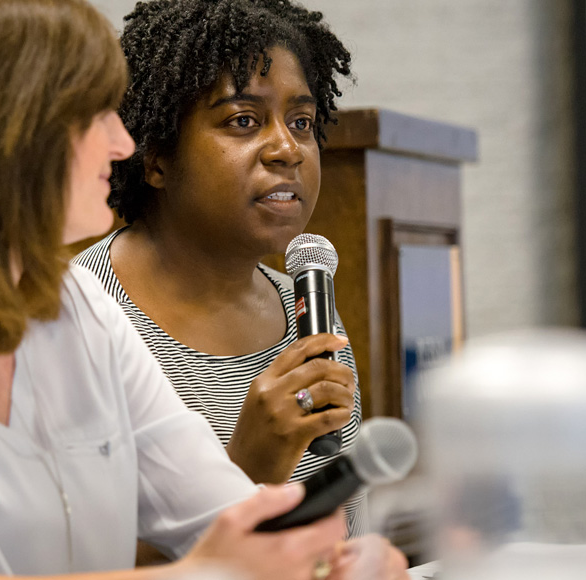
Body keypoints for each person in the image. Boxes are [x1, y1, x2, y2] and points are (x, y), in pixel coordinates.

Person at [0, 0, 404, 579]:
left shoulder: (78, 310)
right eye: (94, 116)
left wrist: (334, 561)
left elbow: (218, 511)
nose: (123, 144)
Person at [73, 0, 369, 539]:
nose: (287, 148)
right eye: (243, 121)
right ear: (156, 157)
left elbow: (342, 528)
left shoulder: (308, 306)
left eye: (302, 122)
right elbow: (82, 563)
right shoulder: (78, 315)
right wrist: (248, 468)